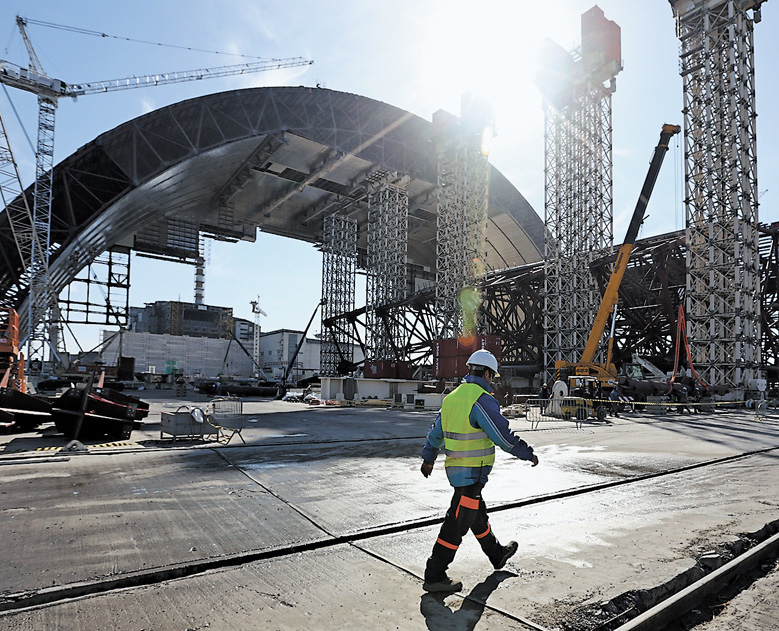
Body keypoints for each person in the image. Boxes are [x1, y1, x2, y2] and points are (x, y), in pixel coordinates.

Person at [420, 349, 539, 593]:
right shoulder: (480, 399)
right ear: (486, 373)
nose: (492, 381)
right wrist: (527, 453)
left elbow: (435, 434)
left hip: (457, 473)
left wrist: (428, 458)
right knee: (456, 525)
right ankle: (435, 575)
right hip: (472, 474)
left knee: (477, 516)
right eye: (492, 376)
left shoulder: (451, 398)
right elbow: (503, 437)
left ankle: (497, 555)